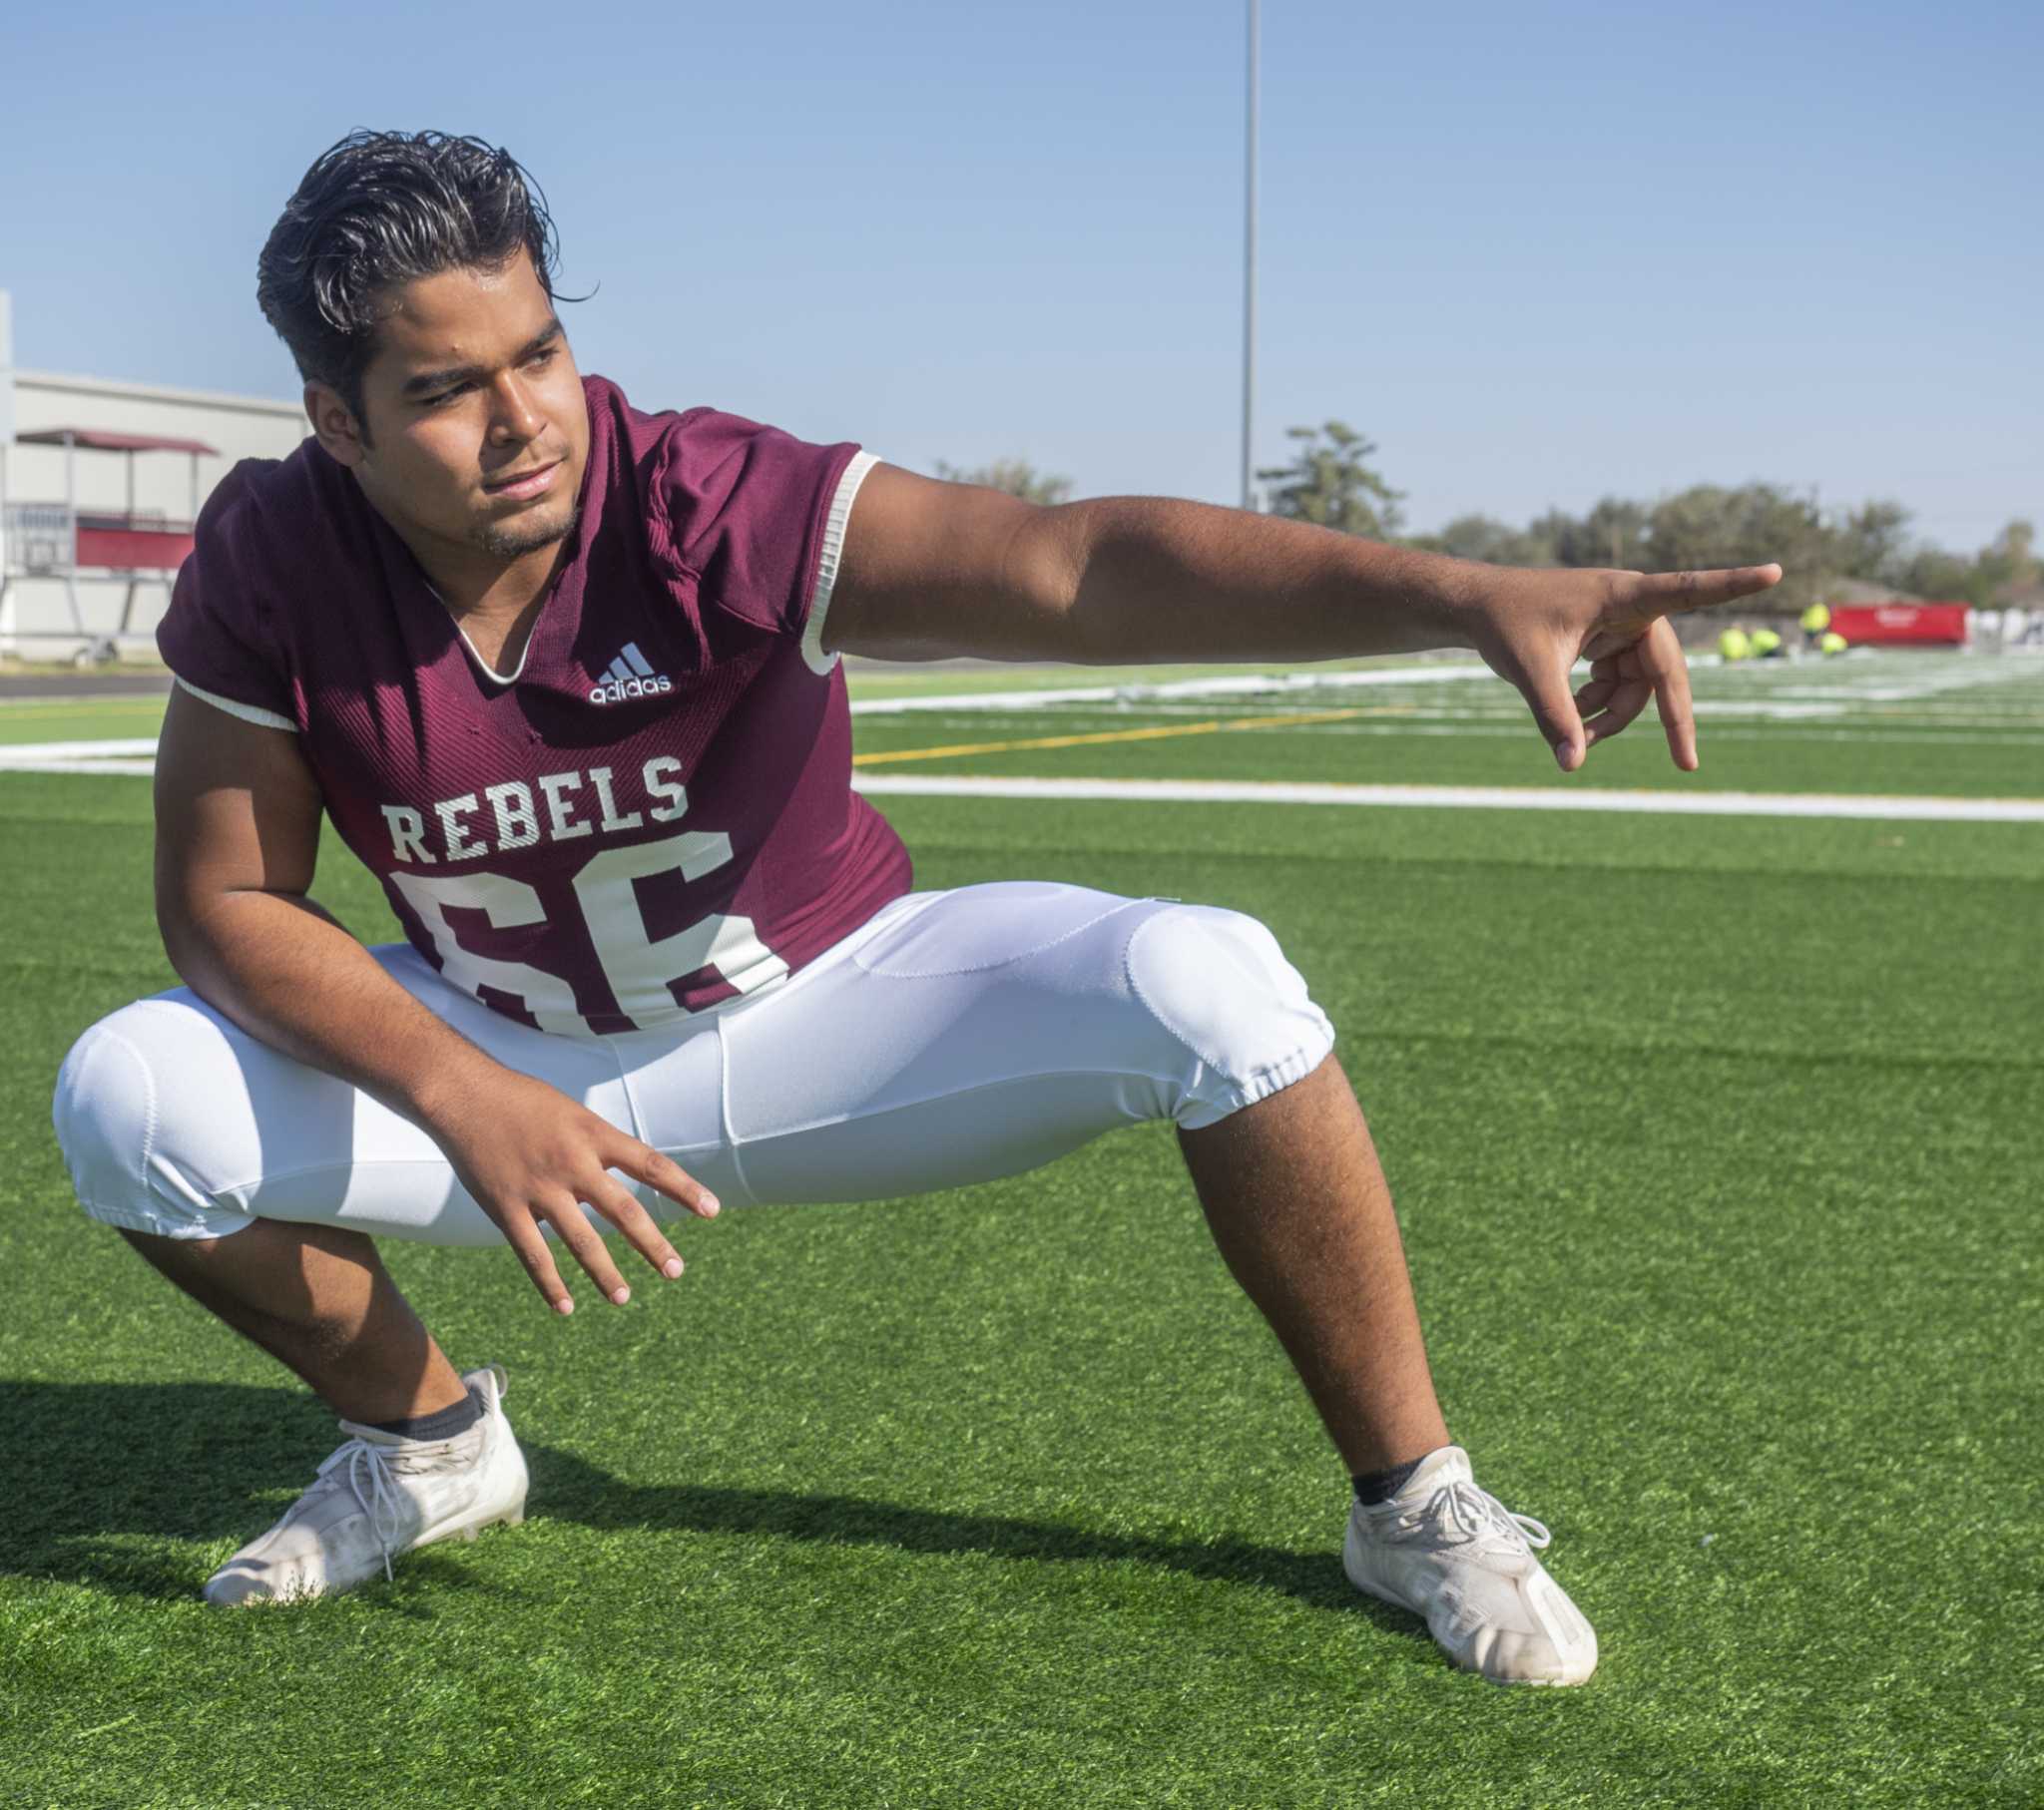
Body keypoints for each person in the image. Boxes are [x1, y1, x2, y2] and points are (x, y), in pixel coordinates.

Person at [49, 132, 1780, 1685]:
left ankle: (1411, 1498)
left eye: (542, 351)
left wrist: (1458, 595)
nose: (524, 419)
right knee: (131, 1097)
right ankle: (428, 1443)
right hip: (498, 1053)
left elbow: (1070, 563)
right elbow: (224, 906)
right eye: (446, 389)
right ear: (335, 420)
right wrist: (462, 1088)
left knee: (1215, 987)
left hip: (819, 1011)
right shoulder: (278, 550)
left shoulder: (698, 496)